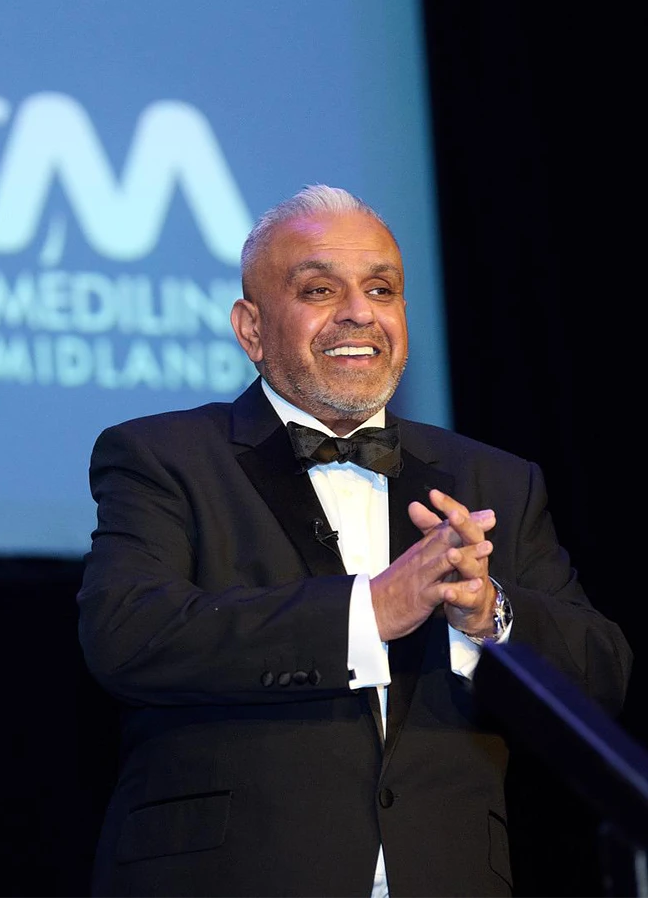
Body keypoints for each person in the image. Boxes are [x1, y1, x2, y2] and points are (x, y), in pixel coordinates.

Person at [76, 184, 632, 898]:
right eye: (318, 288)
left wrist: (489, 611)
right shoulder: (164, 457)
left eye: (382, 288)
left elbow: (603, 673)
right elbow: (128, 634)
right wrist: (367, 613)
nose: (359, 312)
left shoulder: (495, 479)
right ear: (251, 329)